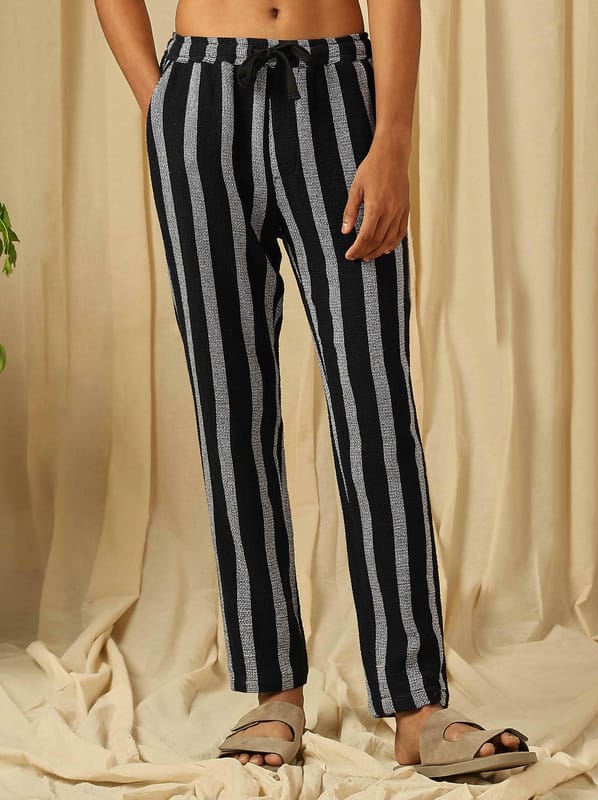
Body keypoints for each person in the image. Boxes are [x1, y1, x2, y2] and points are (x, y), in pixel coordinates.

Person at [94, 0, 538, 780]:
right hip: (199, 100)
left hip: (337, 91)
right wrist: (158, 101)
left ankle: (417, 708)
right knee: (231, 404)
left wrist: (392, 136)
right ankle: (274, 691)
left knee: (376, 400)